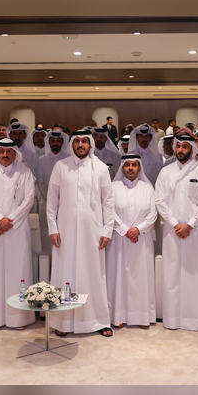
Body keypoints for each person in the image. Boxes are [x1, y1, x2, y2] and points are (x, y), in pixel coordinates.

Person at [47, 130, 115, 337]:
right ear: (72, 145)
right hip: (65, 231)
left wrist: (107, 230)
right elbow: (52, 200)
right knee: (64, 273)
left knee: (93, 274)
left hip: (93, 231)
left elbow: (108, 202)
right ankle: (63, 322)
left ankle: (98, 321)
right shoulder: (61, 166)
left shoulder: (101, 168)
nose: (81, 145)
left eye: (84, 141)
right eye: (77, 141)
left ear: (90, 144)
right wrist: (53, 228)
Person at [155, 134, 198, 331]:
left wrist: (190, 224)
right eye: (178, 146)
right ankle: (173, 319)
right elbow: (160, 202)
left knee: (196, 273)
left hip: (195, 232)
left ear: (192, 149)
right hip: (172, 232)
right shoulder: (165, 172)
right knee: (172, 274)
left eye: (185, 147)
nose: (180, 150)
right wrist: (174, 224)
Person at [0, 139, 36, 330]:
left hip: (17, 232)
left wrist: (9, 221)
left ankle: (18, 318)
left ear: (15, 153)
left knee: (17, 273)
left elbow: (28, 200)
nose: (5, 155)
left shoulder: (24, 172)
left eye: (8, 152)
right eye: (1, 151)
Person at [106, 155, 157, 329]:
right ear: (122, 168)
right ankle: (118, 316)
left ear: (139, 167)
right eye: (127, 165)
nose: (130, 168)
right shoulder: (112, 187)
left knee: (141, 278)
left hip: (142, 240)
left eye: (134, 165)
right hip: (118, 239)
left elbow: (153, 213)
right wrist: (124, 230)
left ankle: (142, 317)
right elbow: (108, 210)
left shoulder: (148, 188)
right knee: (118, 277)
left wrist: (138, 229)